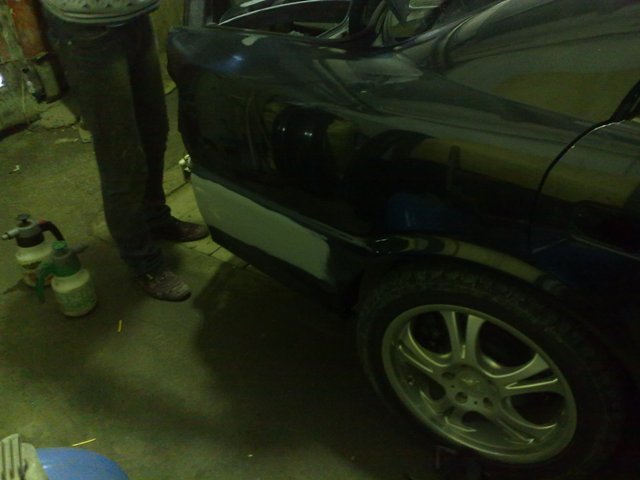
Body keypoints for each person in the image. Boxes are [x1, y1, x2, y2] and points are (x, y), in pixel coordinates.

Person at [40, 0, 208, 301]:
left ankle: (155, 218)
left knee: (154, 132)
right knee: (122, 155)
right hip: (88, 28)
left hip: (135, 16)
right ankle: (143, 261)